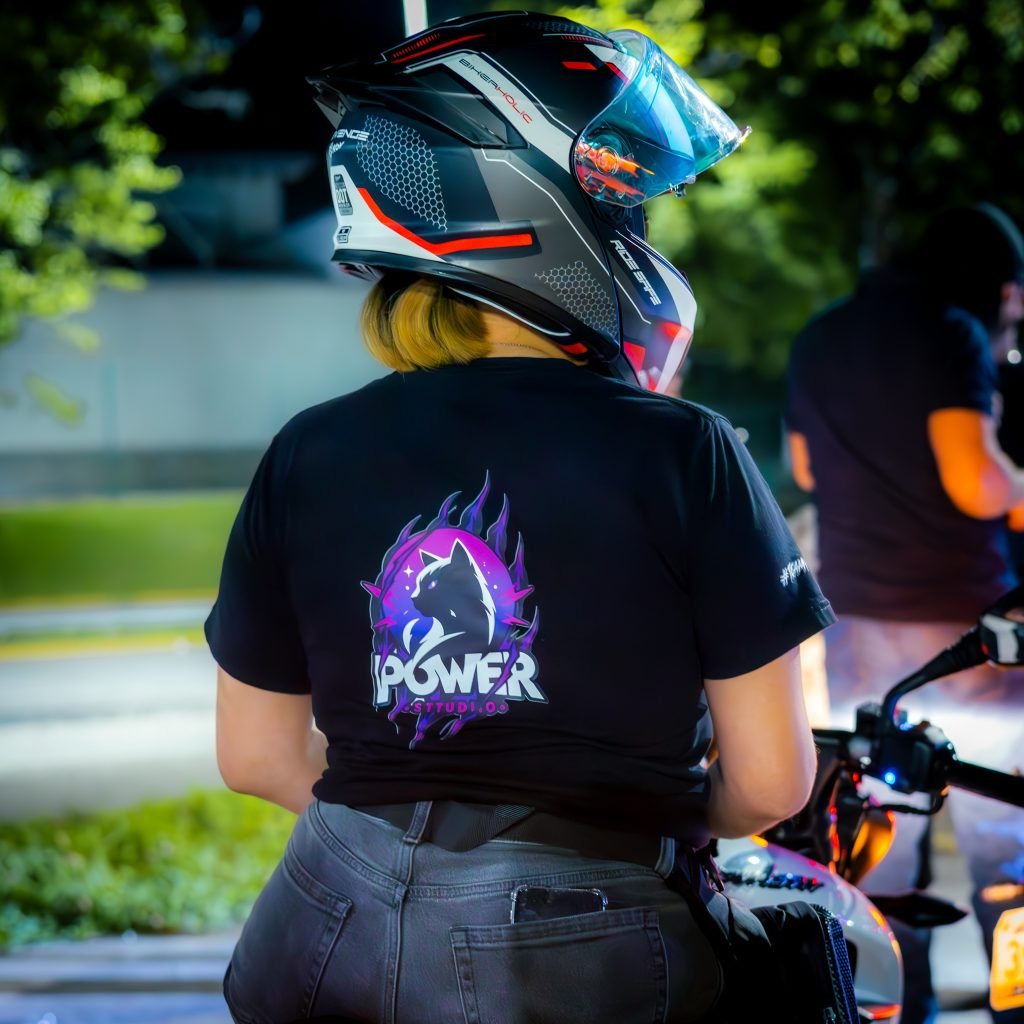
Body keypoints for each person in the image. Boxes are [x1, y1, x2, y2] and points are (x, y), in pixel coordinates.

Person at [206, 13, 834, 1023]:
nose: (633, 223)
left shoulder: (305, 450)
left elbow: (254, 758)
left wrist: (416, 838)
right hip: (577, 934)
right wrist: (652, 815)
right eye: (619, 194)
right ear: (519, 196)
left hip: (318, 923)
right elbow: (770, 780)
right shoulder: (685, 449)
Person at [786, 204, 1024, 1024]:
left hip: (855, 624)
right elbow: (974, 480)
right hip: (961, 631)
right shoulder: (951, 333)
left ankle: (892, 1008)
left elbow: (805, 469)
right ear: (996, 286)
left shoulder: (820, 336)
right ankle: (1016, 1005)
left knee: (878, 836)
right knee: (1002, 842)